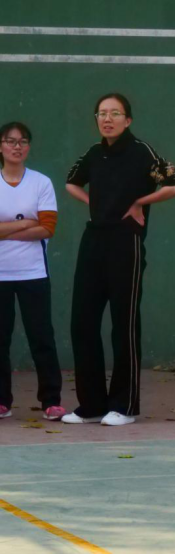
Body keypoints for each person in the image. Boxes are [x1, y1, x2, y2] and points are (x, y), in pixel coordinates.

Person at [62, 93, 175, 427]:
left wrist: (140, 202)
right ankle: (91, 405)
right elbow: (71, 182)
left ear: (127, 120)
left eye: (115, 113)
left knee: (124, 324)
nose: (107, 119)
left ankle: (125, 405)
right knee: (82, 323)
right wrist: (93, 203)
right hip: (93, 240)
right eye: (102, 113)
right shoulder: (94, 153)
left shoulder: (141, 151)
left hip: (126, 242)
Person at [0, 122, 64, 422]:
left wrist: (5, 230)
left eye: (23, 141)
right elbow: (36, 225)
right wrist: (26, 222)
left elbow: (47, 228)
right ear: (1, 146)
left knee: (42, 338)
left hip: (34, 273)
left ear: (28, 147)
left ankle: (51, 401)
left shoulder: (41, 183)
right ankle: (2, 401)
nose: (17, 146)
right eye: (10, 141)